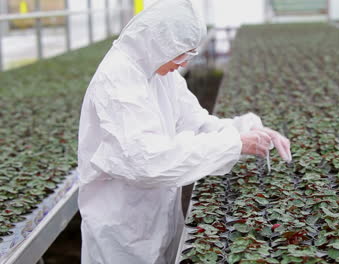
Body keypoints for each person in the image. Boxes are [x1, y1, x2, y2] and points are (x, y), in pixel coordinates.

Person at [76, 0, 292, 263]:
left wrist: (249, 129)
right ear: (158, 42)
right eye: (180, 54)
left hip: (157, 215)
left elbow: (197, 123)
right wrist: (233, 144)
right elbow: (148, 161)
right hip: (122, 232)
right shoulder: (117, 82)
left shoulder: (159, 72)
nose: (182, 63)